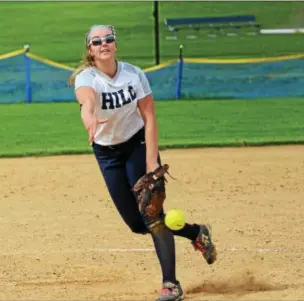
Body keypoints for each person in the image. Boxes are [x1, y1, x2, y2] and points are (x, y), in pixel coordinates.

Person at [69, 24, 217, 301]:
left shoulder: (134, 74)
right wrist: (88, 118)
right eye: (97, 41)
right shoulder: (86, 78)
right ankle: (196, 232)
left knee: (151, 213)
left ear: (115, 44)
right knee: (138, 224)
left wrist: (152, 163)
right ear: (90, 50)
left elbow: (149, 117)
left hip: (137, 145)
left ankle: (171, 284)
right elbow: (87, 102)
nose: (104, 43)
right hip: (107, 153)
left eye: (109, 39)